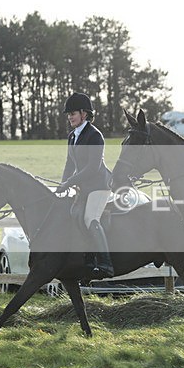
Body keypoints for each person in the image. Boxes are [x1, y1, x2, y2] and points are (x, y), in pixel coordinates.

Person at [55, 92, 114, 279]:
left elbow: (92, 168)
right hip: (84, 187)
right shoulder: (72, 136)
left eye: (73, 113)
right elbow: (69, 164)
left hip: (100, 185)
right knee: (74, 214)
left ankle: (105, 263)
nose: (70, 117)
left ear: (84, 114)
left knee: (90, 218)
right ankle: (88, 260)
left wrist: (69, 182)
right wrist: (63, 183)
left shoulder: (95, 136)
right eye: (68, 114)